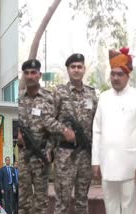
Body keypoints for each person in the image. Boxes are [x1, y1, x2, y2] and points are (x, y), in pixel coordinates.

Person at [92, 47, 136, 214]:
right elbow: (97, 130)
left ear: (127, 76)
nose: (115, 77)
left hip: (130, 166)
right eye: (113, 74)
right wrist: (95, 161)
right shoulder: (103, 97)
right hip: (107, 165)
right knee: (110, 208)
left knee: (128, 209)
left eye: (120, 74)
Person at [18, 59, 75, 214]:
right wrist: (18, 136)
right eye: (27, 73)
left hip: (42, 155)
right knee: (23, 200)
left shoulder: (50, 98)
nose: (30, 76)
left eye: (33, 73)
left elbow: (56, 128)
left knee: (41, 202)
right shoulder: (19, 99)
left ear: (39, 75)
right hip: (23, 156)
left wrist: (50, 150)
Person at [52, 53, 97, 214]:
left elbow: (97, 123)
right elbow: (48, 119)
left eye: (79, 67)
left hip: (85, 154)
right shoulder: (59, 93)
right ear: (68, 70)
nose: (76, 70)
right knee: (62, 202)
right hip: (66, 155)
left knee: (82, 201)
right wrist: (64, 130)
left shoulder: (91, 94)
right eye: (73, 67)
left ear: (84, 69)